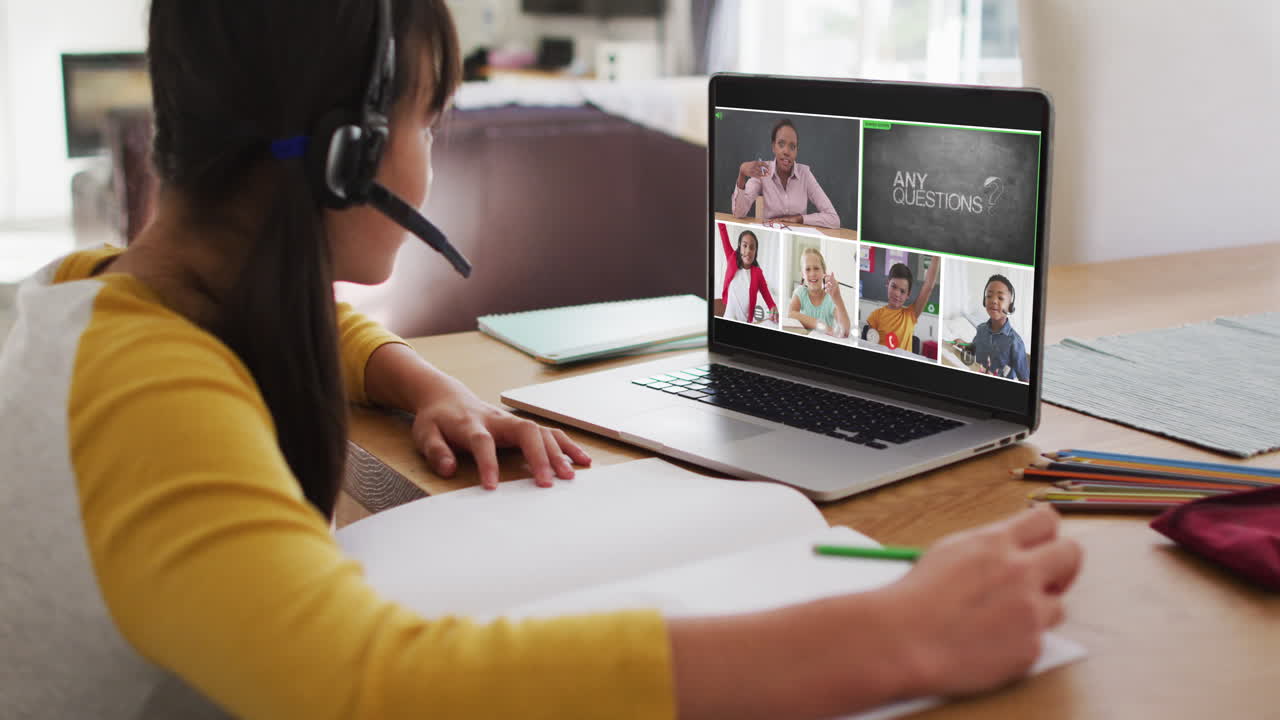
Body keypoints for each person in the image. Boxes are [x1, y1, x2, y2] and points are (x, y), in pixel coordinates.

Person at [0, 2, 1082, 718]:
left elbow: (275, 320)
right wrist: (894, 638)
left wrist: (419, 380)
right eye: (433, 121)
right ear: (347, 157)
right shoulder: (152, 398)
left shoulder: (103, 297)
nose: (432, 158)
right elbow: (367, 688)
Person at [732, 118, 840, 228]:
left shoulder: (805, 174)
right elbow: (738, 213)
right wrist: (742, 175)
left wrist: (799, 219)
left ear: (797, 151)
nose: (786, 152)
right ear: (773, 147)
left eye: (792, 147)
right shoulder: (763, 170)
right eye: (781, 144)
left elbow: (833, 219)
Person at [866, 256, 941, 354]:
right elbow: (871, 344)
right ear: (887, 284)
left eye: (902, 291)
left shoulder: (911, 314)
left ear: (908, 295)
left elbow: (928, 286)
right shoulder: (875, 315)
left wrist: (936, 257)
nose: (897, 293)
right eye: (894, 286)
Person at [972, 274, 1030, 381]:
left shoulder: (1015, 342)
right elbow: (973, 349)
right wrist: (964, 345)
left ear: (1010, 306)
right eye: (989, 296)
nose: (993, 301)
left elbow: (1025, 380)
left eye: (1000, 298)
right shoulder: (981, 329)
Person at [719, 225, 778, 324]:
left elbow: (767, 296)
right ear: (739, 246)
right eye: (745, 246)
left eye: (752, 247)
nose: (748, 251)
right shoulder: (731, 258)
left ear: (755, 251)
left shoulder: (758, 273)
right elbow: (722, 230)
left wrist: (773, 308)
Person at [789, 246, 850, 337]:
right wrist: (822, 326)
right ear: (802, 274)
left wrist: (837, 297)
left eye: (816, 268)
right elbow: (791, 314)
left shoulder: (830, 298)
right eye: (807, 269)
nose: (812, 273)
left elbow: (845, 331)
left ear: (823, 272)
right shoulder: (800, 292)